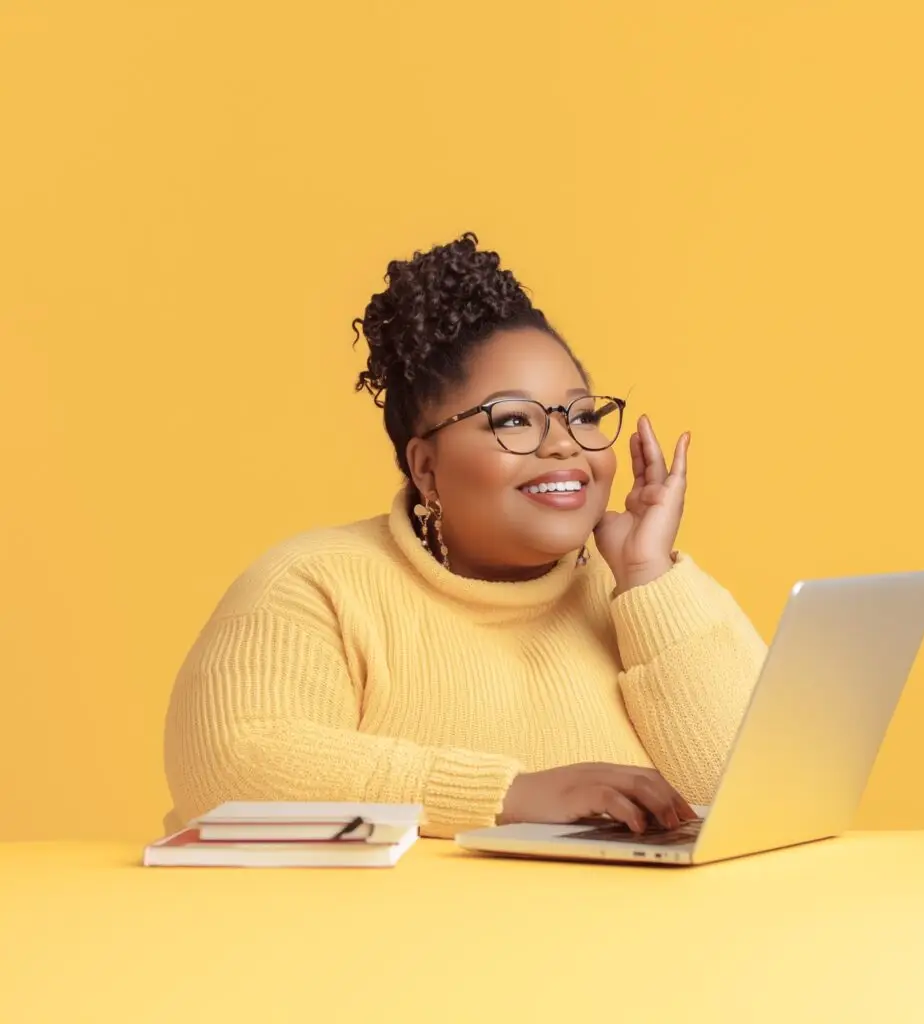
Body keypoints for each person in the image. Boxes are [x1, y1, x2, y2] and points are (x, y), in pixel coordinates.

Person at [163, 232, 767, 839]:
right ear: (426, 466)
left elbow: (757, 797)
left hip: (629, 934)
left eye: (581, 415)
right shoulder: (314, 585)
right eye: (512, 420)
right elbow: (231, 773)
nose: (563, 443)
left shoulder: (644, 595)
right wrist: (509, 795)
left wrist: (648, 580)